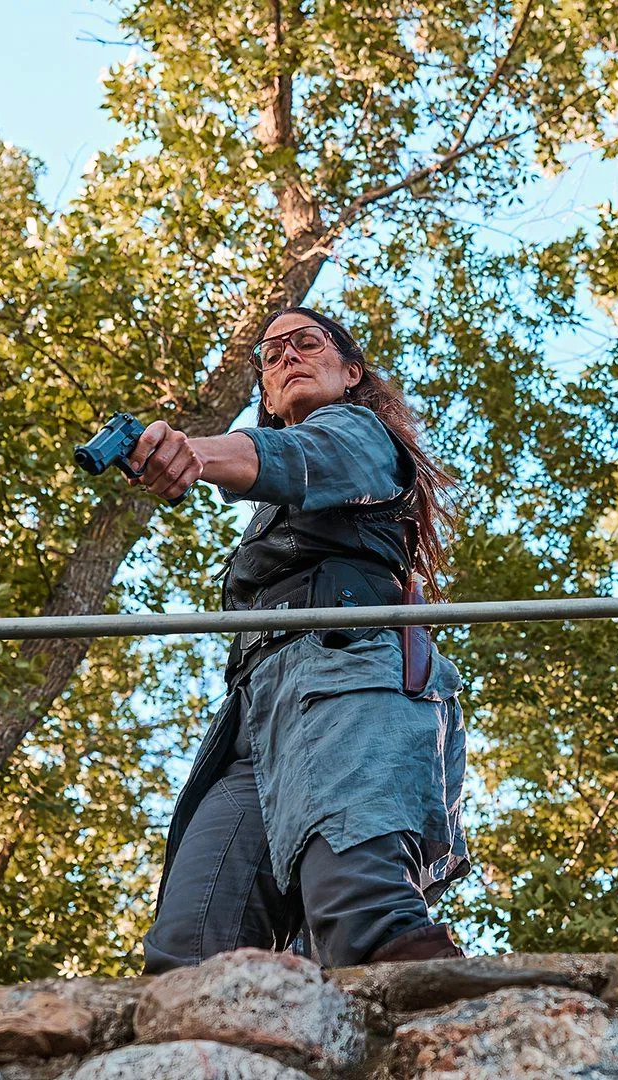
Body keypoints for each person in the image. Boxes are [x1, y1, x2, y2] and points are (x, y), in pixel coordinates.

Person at [124, 306, 470, 969]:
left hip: (347, 678)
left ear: (350, 372)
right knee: (187, 955)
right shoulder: (273, 502)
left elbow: (303, 456)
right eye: (271, 352)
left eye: (305, 343)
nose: (285, 356)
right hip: (252, 720)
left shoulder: (358, 434)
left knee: (365, 915)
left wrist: (194, 451)